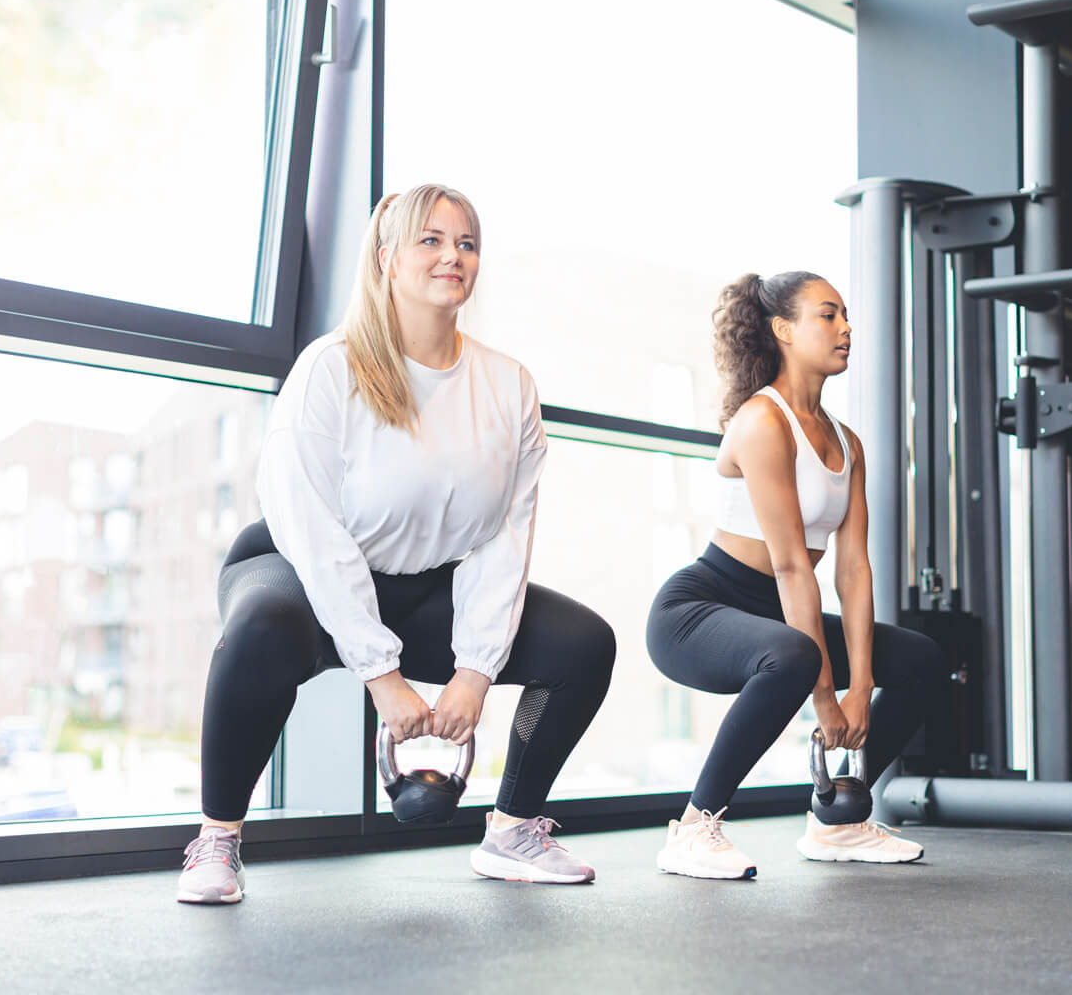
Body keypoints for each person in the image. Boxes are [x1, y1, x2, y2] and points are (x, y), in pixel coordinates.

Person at [177, 184, 616, 903]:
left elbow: (503, 536)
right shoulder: (331, 366)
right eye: (432, 241)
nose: (453, 256)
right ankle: (216, 840)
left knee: (584, 645)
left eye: (467, 243)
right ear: (387, 259)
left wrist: (475, 670)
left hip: (428, 582)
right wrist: (382, 674)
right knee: (259, 629)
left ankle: (512, 831)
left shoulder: (508, 386)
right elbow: (311, 527)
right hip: (296, 566)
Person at [645, 270, 949, 879]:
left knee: (919, 658)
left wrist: (860, 684)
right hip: (700, 610)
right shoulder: (762, 422)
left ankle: (837, 823)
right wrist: (825, 700)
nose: (846, 328)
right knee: (793, 654)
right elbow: (789, 565)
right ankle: (694, 827)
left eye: (845, 316)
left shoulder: (847, 441)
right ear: (783, 329)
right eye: (828, 315)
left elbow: (854, 569)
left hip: (780, 613)